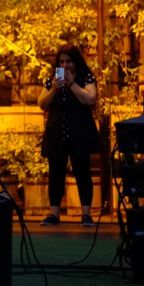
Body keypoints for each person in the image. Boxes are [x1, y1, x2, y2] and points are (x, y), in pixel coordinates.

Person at [37, 44, 99, 226]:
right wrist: (54, 89)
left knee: (82, 171)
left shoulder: (85, 77)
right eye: (62, 62)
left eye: (69, 61)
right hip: (57, 131)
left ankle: (86, 214)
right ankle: (54, 213)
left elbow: (90, 98)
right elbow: (41, 103)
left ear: (76, 62)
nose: (65, 65)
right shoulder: (52, 80)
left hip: (79, 131)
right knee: (56, 172)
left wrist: (72, 84)